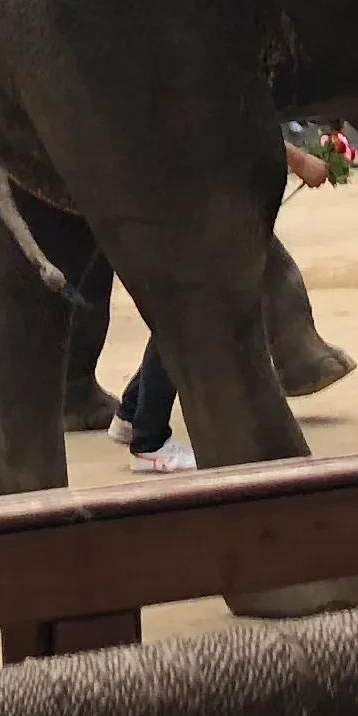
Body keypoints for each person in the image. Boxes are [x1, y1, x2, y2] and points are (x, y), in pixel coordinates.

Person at [122, 131, 335, 472]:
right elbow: (229, 115)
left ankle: (133, 414)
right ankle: (149, 439)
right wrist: (299, 160)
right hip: (185, 195)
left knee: (175, 310)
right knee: (185, 311)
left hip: (166, 188)